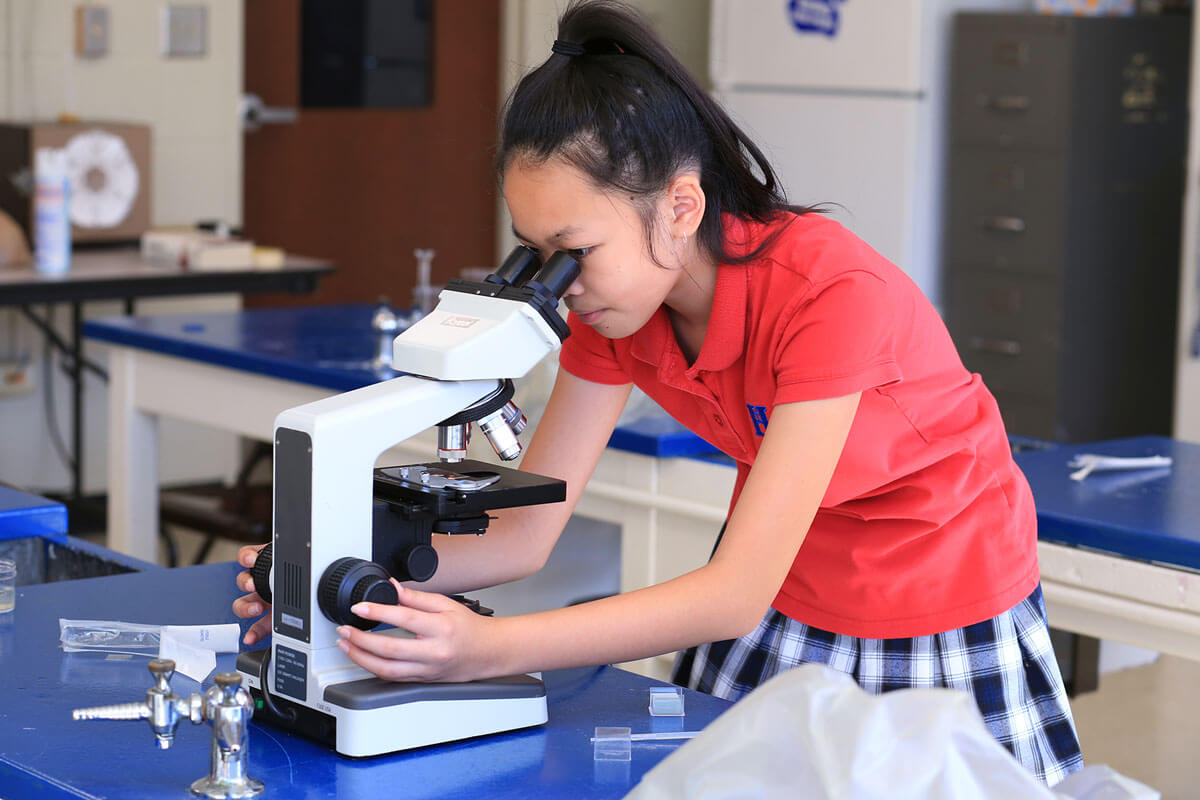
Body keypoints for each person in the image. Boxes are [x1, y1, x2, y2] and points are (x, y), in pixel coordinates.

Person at [233, 0, 1083, 784]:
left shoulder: (830, 292)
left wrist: (488, 648)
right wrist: (340, 585)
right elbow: (526, 533)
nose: (557, 284)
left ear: (681, 206)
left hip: (935, 598)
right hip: (794, 589)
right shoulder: (620, 311)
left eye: (573, 249)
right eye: (534, 252)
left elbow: (730, 594)